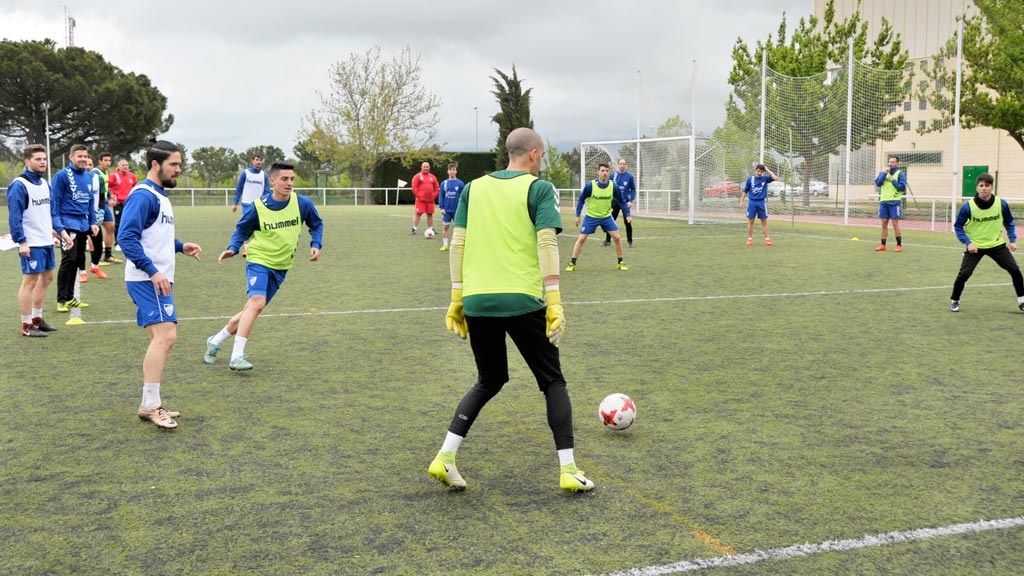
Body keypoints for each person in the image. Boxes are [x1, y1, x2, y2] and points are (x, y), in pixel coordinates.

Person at [428, 127, 594, 493]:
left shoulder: (473, 187)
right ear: (534, 153)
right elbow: (548, 242)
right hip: (521, 298)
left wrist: (457, 299)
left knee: (490, 379)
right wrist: (554, 303)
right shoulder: (538, 188)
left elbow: (457, 243)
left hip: (477, 299)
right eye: (543, 153)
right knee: (552, 381)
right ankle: (568, 469)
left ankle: (445, 456)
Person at [203, 162, 324, 371]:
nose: (289, 183)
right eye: (284, 179)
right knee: (257, 304)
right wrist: (233, 248)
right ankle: (237, 356)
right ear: (273, 181)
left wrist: (316, 244)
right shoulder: (258, 207)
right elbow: (241, 230)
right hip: (258, 259)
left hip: (282, 265)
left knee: (249, 310)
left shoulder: (302, 203)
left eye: (292, 179)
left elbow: (317, 224)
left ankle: (215, 340)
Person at [117, 141, 202, 429]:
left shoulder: (160, 195)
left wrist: (180, 246)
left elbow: (153, 235)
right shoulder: (143, 195)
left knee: (161, 338)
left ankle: (148, 403)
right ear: (156, 164)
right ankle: (152, 405)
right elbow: (126, 237)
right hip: (147, 280)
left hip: (155, 278)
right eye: (173, 164)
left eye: (179, 164)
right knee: (167, 337)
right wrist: (152, 271)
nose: (178, 169)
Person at [948, 173, 1024, 313]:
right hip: (975, 247)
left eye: (987, 186)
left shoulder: (1001, 203)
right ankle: (954, 300)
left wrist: (1012, 240)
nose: (984, 189)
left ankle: (1022, 300)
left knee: (1015, 270)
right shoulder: (968, 207)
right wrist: (968, 243)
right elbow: (958, 226)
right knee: (964, 274)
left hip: (997, 245)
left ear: (992, 187)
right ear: (977, 188)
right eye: (981, 186)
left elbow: (1009, 222)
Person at [7, 144, 59, 337]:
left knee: (47, 279)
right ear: (27, 161)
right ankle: (26, 326)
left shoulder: (45, 183)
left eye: (44, 159)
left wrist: (59, 232)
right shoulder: (19, 185)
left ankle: (37, 319)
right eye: (38, 159)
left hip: (46, 240)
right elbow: (15, 217)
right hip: (31, 241)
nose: (43, 162)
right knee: (29, 282)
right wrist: (21, 242)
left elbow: (51, 212)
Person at [51, 144, 98, 312]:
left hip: (83, 225)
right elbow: (54, 204)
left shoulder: (88, 176)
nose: (83, 159)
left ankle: (70, 298)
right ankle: (61, 300)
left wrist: (93, 222)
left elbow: (91, 202)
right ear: (71, 157)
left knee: (77, 260)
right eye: (80, 156)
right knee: (68, 260)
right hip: (67, 224)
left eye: (85, 156)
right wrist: (58, 227)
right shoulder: (62, 176)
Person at [565, 163, 631, 271]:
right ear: (598, 172)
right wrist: (577, 215)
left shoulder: (613, 186)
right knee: (582, 238)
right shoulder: (590, 185)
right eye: (602, 171)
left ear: (609, 172)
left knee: (617, 237)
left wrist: (627, 214)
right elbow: (581, 199)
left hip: (606, 216)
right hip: (591, 216)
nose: (605, 173)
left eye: (607, 171)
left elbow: (622, 201)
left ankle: (620, 262)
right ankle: (572, 263)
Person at [81, 156, 108, 282]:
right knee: (80, 246)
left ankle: (94, 266)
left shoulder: (99, 178)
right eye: (85, 164)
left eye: (90, 164)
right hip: (80, 218)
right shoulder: (75, 179)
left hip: (94, 218)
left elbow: (102, 197)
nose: (87, 167)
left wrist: (101, 210)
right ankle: (82, 272)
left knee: (98, 245)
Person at [94, 152, 121, 264]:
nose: (108, 163)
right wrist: (107, 201)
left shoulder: (105, 172)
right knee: (94, 232)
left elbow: (104, 188)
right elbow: (95, 192)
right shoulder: (95, 173)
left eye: (109, 160)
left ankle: (108, 255)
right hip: (96, 205)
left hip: (103, 205)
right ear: (100, 161)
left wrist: (110, 194)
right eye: (105, 160)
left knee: (110, 228)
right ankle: (95, 259)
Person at [874, 155, 906, 252]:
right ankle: (883, 245)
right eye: (889, 162)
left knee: (895, 223)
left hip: (894, 202)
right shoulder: (883, 173)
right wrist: (884, 173)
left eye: (893, 162)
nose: (890, 163)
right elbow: (878, 183)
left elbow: (902, 187)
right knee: (884, 223)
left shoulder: (900, 174)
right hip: (884, 201)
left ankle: (899, 245)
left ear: (897, 163)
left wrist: (892, 179)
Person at [740, 163, 777, 246]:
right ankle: (749, 239)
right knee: (751, 221)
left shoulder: (765, 178)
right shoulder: (750, 179)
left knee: (764, 221)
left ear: (763, 172)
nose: (759, 173)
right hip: (752, 202)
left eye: (761, 171)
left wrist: (767, 169)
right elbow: (745, 190)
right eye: (758, 171)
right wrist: (741, 200)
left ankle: (767, 239)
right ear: (755, 171)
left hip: (761, 203)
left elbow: (775, 178)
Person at [603, 158, 636, 248]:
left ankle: (630, 242)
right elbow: (607, 186)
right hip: (614, 202)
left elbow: (633, 189)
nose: (622, 165)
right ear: (618, 165)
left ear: (626, 165)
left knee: (627, 222)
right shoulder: (613, 175)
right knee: (610, 221)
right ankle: (607, 240)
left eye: (623, 164)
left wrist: (630, 200)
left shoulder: (629, 177)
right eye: (620, 164)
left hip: (625, 202)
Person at [108, 158, 138, 251]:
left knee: (130, 222)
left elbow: (136, 187)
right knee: (119, 222)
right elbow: (107, 186)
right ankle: (118, 243)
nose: (125, 167)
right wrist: (111, 196)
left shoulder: (131, 176)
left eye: (126, 165)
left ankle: (130, 241)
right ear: (119, 166)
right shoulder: (114, 175)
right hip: (118, 203)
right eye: (123, 165)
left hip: (129, 203)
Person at [437, 162, 464, 251]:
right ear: (448, 171)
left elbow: (462, 197)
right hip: (447, 210)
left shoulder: (460, 183)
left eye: (454, 170)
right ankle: (445, 245)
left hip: (457, 210)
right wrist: (441, 208)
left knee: (457, 228)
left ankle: (456, 245)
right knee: (445, 227)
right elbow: (441, 195)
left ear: (456, 171)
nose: (452, 172)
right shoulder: (444, 183)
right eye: (450, 170)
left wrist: (462, 209)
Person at [410, 161, 439, 236]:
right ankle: (414, 229)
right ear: (421, 167)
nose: (426, 168)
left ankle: (430, 228)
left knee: (430, 214)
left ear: (429, 167)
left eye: (427, 167)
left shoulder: (433, 177)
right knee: (418, 214)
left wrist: (434, 195)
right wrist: (419, 195)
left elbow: (436, 187)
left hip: (430, 201)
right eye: (424, 167)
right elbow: (414, 187)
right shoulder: (417, 176)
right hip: (420, 201)